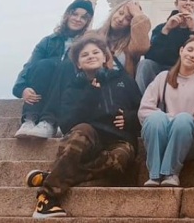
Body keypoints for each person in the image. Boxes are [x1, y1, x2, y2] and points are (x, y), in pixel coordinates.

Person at [25, 34, 142, 220]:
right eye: (84, 54)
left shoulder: (124, 80)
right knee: (82, 131)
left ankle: (56, 175)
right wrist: (90, 93)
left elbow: (142, 109)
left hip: (118, 139)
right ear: (78, 64)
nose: (91, 56)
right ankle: (46, 197)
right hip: (88, 140)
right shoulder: (74, 87)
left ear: (105, 57)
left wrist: (129, 118)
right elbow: (67, 123)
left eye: (96, 52)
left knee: (120, 159)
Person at [138, 35, 194, 187]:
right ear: (181, 51)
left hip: (190, 139)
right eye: (190, 50)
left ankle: (171, 173)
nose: (192, 55)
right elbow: (144, 109)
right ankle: (154, 175)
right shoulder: (163, 77)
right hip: (163, 135)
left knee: (183, 120)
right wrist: (168, 119)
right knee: (155, 118)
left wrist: (182, 121)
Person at [14, 0, 94, 139]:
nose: (78, 19)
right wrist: (22, 88)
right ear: (67, 15)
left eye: (83, 17)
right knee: (44, 65)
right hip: (44, 85)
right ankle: (30, 119)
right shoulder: (48, 41)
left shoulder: (88, 44)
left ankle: (49, 121)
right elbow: (31, 65)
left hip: (70, 88)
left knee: (67, 65)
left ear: (87, 22)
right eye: (75, 14)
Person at [136, 0, 194, 92]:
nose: (188, 3)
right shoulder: (162, 28)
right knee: (144, 65)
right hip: (162, 69)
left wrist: (193, 29)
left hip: (188, 71)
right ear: (176, 3)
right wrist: (166, 30)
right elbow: (150, 56)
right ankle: (141, 102)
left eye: (192, 0)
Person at [94, 0, 152, 79]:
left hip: (119, 87)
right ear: (114, 12)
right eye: (120, 13)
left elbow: (141, 48)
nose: (121, 19)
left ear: (131, 23)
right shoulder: (93, 36)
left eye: (127, 19)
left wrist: (138, 15)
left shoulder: (132, 44)